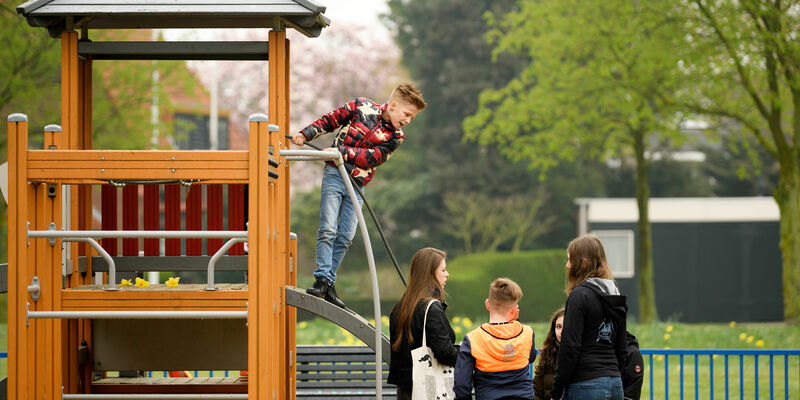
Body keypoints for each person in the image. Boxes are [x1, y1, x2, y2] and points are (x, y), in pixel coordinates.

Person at [292, 83, 426, 309]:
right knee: (328, 228)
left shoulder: (396, 137)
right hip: (335, 175)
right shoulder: (360, 107)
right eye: (407, 114)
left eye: (412, 117)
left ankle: (328, 281)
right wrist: (305, 135)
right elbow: (330, 120)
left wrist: (341, 152)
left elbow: (374, 157)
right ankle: (322, 278)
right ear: (393, 106)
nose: (408, 121)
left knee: (346, 236)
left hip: (356, 185)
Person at [550, 235, 628, 400]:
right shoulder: (615, 294)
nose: (567, 265)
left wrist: (556, 390)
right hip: (615, 383)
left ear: (582, 262)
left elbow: (570, 346)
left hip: (585, 384)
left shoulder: (579, 295)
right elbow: (622, 347)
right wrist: (613, 375)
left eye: (570, 260)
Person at [387, 247, 459, 400]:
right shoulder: (431, 307)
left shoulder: (399, 308)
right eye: (443, 270)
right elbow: (444, 352)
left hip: (405, 390)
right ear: (430, 273)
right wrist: (467, 355)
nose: (447, 274)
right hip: (430, 390)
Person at [454, 278, 536, 400]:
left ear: (487, 304)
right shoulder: (527, 333)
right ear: (515, 310)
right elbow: (531, 357)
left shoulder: (473, 339)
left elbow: (462, 384)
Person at [533, 307, 565, 400]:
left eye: (566, 326)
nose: (561, 331)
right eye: (558, 327)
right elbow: (537, 391)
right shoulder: (548, 354)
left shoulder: (582, 355)